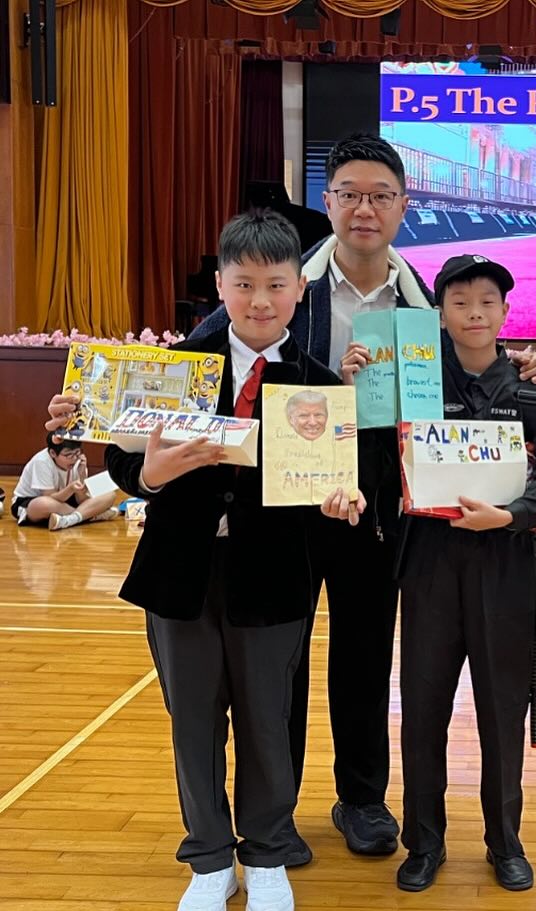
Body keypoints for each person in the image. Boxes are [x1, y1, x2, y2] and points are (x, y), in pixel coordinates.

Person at [188, 133, 536, 859]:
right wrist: (100, 407)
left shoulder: (424, 298)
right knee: (280, 664)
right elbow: (197, 360)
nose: (364, 209)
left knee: (363, 656)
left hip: (379, 508)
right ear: (327, 203)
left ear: (403, 206)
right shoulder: (286, 284)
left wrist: (525, 367)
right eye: (350, 194)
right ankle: (276, 810)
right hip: (284, 505)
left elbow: (476, 356)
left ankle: (360, 799)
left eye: (380, 196)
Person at [105, 210, 361, 911]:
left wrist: (342, 501)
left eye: (275, 285)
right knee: (193, 722)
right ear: (219, 284)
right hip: (180, 573)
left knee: (267, 722)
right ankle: (209, 858)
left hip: (274, 578)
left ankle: (268, 853)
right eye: (243, 284)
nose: (259, 301)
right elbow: (122, 460)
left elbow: (330, 488)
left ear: (299, 288)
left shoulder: (319, 388)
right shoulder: (174, 370)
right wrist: (149, 475)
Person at [332, 254, 536, 893]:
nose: (474, 313)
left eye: (487, 301)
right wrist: (354, 388)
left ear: (505, 312)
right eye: (460, 302)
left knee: (502, 712)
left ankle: (505, 842)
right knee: (423, 709)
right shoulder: (409, 385)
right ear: (439, 313)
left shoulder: (532, 391)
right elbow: (361, 446)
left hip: (505, 565)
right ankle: (424, 842)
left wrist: (513, 514)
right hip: (430, 565)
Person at [10, 433, 117, 530]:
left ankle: (70, 519)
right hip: (32, 501)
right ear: (52, 453)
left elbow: (82, 500)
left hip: (64, 502)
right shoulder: (41, 461)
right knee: (42, 504)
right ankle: (89, 515)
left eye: (77, 452)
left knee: (110, 494)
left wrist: (82, 476)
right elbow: (49, 497)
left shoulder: (78, 460)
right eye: (68, 455)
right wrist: (70, 489)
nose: (74, 458)